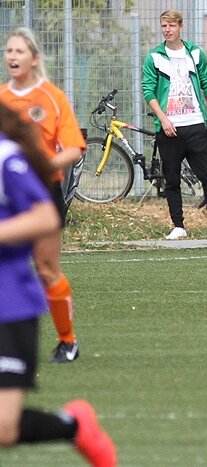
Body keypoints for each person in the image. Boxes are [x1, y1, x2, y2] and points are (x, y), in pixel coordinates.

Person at [0, 102, 117, 466]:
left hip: (9, 305)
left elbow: (45, 216)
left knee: (4, 429)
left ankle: (75, 426)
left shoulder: (6, 158)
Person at [0, 27, 84, 363]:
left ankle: (67, 341)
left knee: (46, 268)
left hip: (41, 192)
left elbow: (74, 148)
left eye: (19, 51)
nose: (12, 57)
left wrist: (43, 164)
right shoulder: (2, 97)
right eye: (9, 51)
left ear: (34, 58)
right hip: (7, 195)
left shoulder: (52, 97)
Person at [142, 9, 207, 241]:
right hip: (169, 128)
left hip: (195, 124)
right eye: (164, 26)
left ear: (180, 26)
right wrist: (163, 118)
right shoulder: (154, 57)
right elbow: (148, 90)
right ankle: (178, 226)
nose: (167, 30)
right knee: (172, 179)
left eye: (171, 25)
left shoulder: (194, 53)